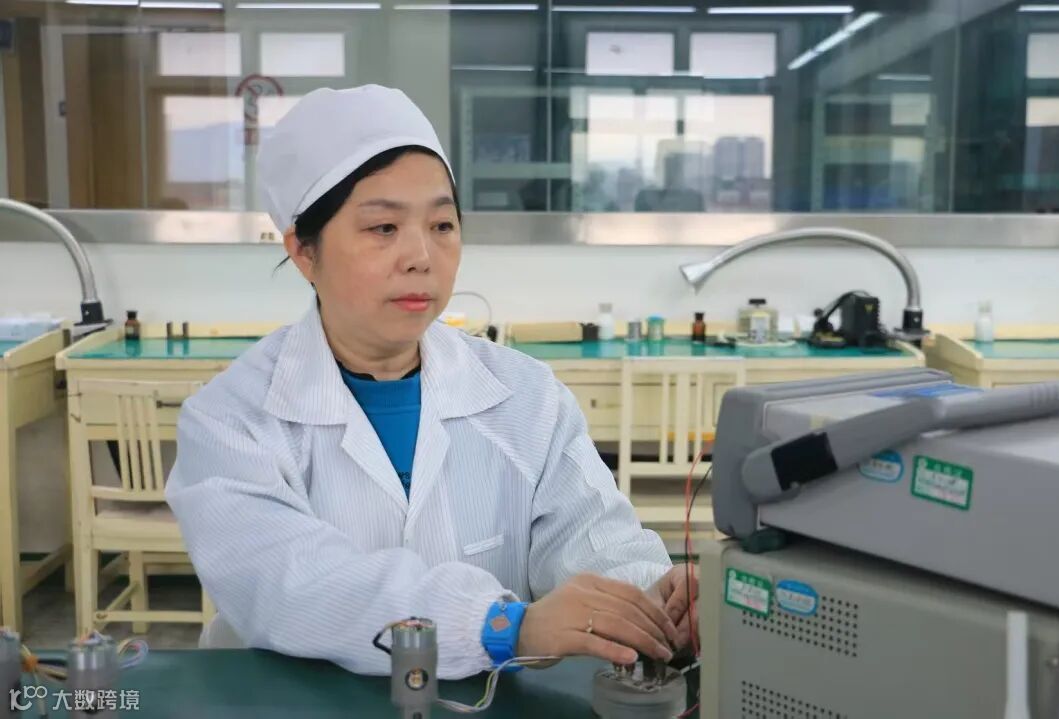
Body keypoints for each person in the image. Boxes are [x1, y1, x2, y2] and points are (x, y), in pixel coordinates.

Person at [165, 85, 697, 679]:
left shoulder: (526, 396)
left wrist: (657, 604)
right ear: (304, 252)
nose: (421, 255)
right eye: (383, 227)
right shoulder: (231, 419)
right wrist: (500, 626)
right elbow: (292, 583)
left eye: (442, 224)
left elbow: (595, 542)